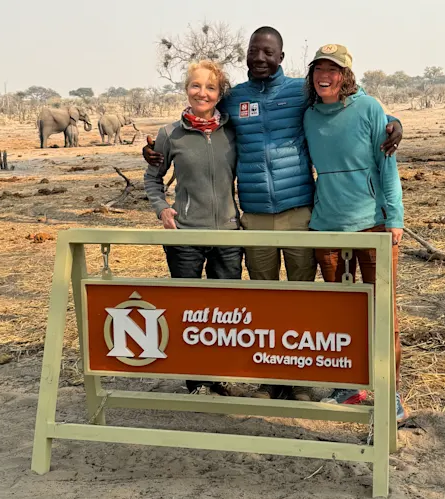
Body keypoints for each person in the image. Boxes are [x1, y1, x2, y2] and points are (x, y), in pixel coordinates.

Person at [144, 26, 403, 400]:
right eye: (255, 51)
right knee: (264, 299)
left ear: (281, 58)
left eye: (269, 53)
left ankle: (300, 380)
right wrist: (153, 150)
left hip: (300, 211)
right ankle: (271, 379)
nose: (261, 58)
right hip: (254, 216)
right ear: (246, 55)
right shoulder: (234, 99)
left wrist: (395, 122)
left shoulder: (300, 91)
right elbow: (199, 114)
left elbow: (352, 104)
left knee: (302, 298)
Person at [303, 44, 407, 423]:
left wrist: (395, 219)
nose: (324, 76)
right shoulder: (309, 115)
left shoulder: (369, 108)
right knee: (340, 315)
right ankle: (348, 386)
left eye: (333, 70)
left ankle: (391, 394)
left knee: (383, 313)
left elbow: (387, 166)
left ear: (346, 75)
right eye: (318, 69)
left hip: (373, 225)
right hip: (327, 227)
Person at [144, 59, 242, 395]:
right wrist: (162, 210)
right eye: (196, 86)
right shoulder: (170, 134)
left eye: (211, 87)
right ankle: (194, 379)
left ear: (219, 93)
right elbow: (152, 178)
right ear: (187, 89)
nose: (203, 93)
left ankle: (215, 376)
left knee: (223, 312)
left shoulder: (233, 131)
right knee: (189, 309)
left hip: (229, 234)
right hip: (185, 234)